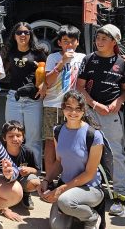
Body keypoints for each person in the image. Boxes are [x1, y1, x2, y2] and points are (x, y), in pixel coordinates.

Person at [76, 24, 125, 217]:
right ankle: (89, 191)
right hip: (91, 112)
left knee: (116, 152)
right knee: (86, 152)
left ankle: (121, 196)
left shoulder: (123, 63)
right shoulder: (89, 59)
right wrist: (94, 104)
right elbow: (80, 86)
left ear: (114, 41)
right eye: (98, 38)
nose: (99, 42)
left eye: (104, 39)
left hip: (112, 113)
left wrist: (118, 102)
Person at [38, 90, 105, 229]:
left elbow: (89, 174)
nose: (73, 112)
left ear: (83, 111)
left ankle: (92, 217)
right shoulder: (58, 130)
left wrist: (60, 190)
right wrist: (46, 180)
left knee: (65, 201)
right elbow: (59, 162)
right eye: (69, 107)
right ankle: (75, 213)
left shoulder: (94, 135)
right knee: (58, 226)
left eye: (78, 109)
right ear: (63, 108)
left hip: (90, 188)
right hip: (67, 188)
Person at [40, 25, 85, 183]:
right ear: (59, 42)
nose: (69, 45)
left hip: (73, 107)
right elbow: (48, 81)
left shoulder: (82, 58)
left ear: (78, 42)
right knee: (51, 142)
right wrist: (62, 62)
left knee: (73, 141)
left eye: (73, 41)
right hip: (53, 104)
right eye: (66, 41)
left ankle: (69, 177)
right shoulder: (52, 58)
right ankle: (49, 178)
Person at [2, 21, 47, 163]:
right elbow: (0, 70)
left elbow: (48, 73)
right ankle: (12, 170)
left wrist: (43, 84)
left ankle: (35, 171)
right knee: (12, 136)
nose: (23, 35)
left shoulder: (39, 53)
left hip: (33, 100)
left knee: (33, 139)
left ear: (30, 35)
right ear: (14, 36)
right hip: (13, 98)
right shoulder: (9, 53)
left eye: (26, 32)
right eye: (19, 32)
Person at [0, 120, 41, 220]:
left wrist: (29, 169)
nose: (15, 139)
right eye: (10, 136)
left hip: (21, 181)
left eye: (18, 135)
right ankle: (5, 201)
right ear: (4, 138)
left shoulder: (28, 152)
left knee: (35, 182)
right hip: (4, 183)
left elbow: (37, 170)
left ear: (23, 137)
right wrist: (5, 209)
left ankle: (25, 195)